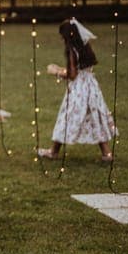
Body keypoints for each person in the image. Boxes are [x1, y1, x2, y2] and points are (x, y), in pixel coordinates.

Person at [38, 18, 116, 162]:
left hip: (79, 89)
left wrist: (56, 71)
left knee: (67, 117)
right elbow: (81, 70)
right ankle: (106, 153)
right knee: (94, 116)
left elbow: (72, 75)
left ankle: (53, 151)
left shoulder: (71, 50)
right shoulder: (85, 45)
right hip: (91, 85)